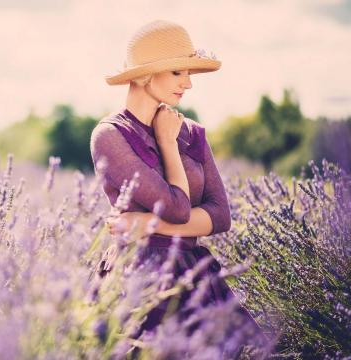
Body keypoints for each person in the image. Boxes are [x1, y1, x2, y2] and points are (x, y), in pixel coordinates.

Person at [89, 20, 269, 356]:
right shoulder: (110, 136)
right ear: (145, 75)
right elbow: (176, 207)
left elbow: (221, 215)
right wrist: (167, 143)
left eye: (189, 73)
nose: (188, 83)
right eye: (177, 73)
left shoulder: (194, 132)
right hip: (138, 275)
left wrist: (148, 223)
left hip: (193, 272)